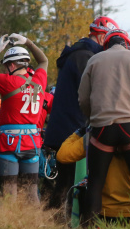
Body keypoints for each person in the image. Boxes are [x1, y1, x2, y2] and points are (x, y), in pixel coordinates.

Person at [42, 16, 118, 210]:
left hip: (65, 127)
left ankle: (56, 221)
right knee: (70, 182)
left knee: (66, 182)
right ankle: (59, 222)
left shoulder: (78, 55)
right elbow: (94, 93)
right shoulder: (85, 57)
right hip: (73, 129)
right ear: (102, 38)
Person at [78, 29, 130, 222]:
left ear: (107, 44)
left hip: (102, 128)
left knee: (95, 182)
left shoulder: (94, 61)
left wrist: (91, 119)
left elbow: (83, 98)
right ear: (127, 44)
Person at [0, 34, 48, 203]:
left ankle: (10, 226)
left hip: (9, 144)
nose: (5, 70)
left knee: (9, 195)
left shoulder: (7, 81)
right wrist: (29, 42)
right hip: (32, 143)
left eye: (6, 66)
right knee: (31, 194)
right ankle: (36, 226)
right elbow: (43, 61)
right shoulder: (39, 80)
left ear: (12, 65)